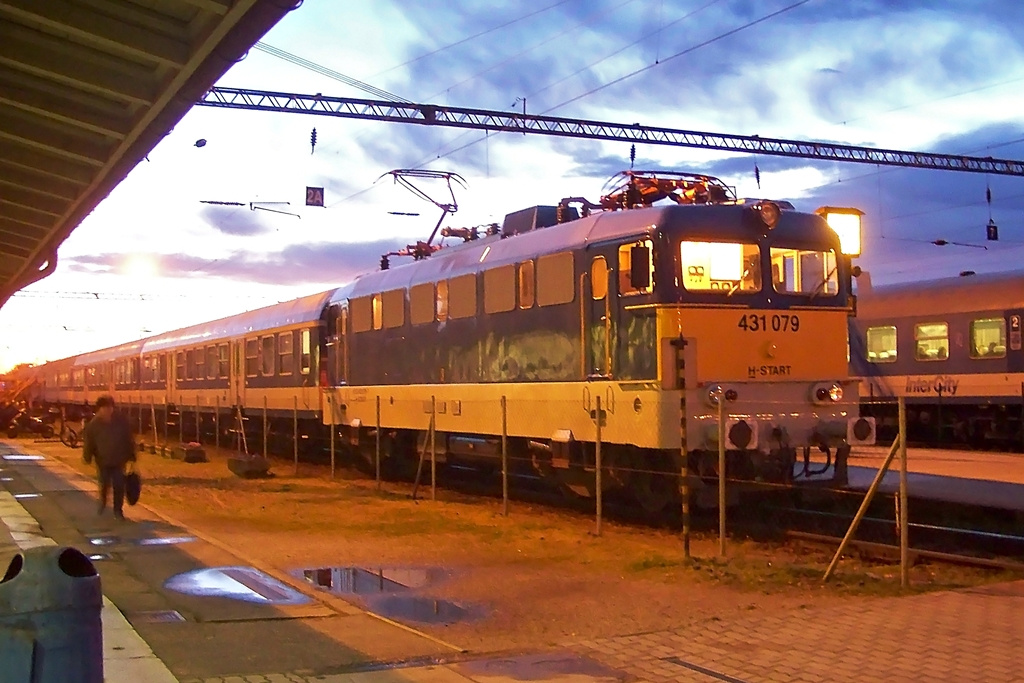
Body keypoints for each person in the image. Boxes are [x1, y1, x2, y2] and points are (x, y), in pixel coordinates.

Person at [82, 395, 136, 520]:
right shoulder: (93, 425)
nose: (108, 410)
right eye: (105, 408)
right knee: (104, 485)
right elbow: (89, 443)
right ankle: (102, 504)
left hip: (118, 460)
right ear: (99, 409)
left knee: (119, 486)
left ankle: (118, 510)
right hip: (103, 461)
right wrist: (87, 456)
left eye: (110, 407)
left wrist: (132, 454)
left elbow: (128, 439)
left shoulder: (121, 422)